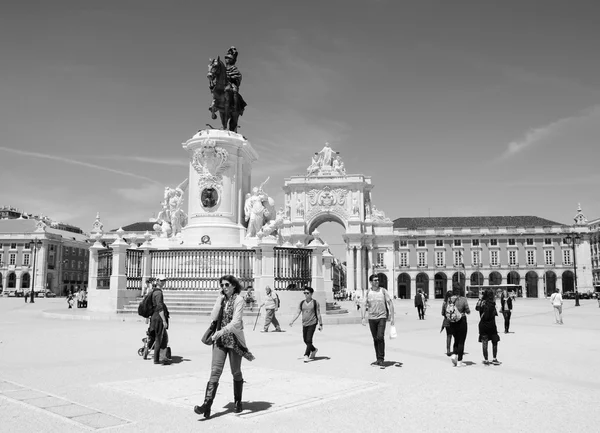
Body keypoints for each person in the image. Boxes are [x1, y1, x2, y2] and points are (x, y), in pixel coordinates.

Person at [194, 275, 254, 419]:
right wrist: (218, 301)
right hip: (220, 341)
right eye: (222, 285)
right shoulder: (222, 299)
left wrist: (221, 331)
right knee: (215, 372)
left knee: (236, 372)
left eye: (227, 285)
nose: (224, 287)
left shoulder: (239, 300)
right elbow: (213, 317)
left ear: (234, 286)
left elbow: (236, 322)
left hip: (234, 341)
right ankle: (206, 404)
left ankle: (238, 401)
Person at [361, 274, 395, 368]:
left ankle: (381, 358)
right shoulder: (368, 292)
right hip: (372, 318)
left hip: (382, 317)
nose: (377, 281)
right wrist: (363, 317)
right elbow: (363, 304)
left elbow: (390, 303)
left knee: (380, 336)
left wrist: (392, 317)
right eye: (375, 280)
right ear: (371, 282)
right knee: (375, 339)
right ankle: (378, 359)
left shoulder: (383, 291)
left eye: (378, 280)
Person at [289, 287, 323, 362]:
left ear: (311, 294)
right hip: (304, 323)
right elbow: (298, 312)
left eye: (307, 293)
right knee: (305, 340)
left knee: (309, 339)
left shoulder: (315, 303)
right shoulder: (302, 303)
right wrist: (292, 321)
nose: (306, 294)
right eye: (305, 293)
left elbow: (318, 314)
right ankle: (314, 350)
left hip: (313, 322)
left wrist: (320, 324)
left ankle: (306, 355)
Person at [147, 275, 171, 365]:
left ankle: (161, 357)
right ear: (157, 281)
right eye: (161, 281)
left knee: (161, 337)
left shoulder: (153, 291)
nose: (163, 282)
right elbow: (160, 308)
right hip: (158, 318)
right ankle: (159, 359)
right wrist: (164, 321)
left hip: (154, 316)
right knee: (160, 338)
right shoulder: (159, 293)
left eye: (164, 280)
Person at [447, 283, 471, 367]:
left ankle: (454, 355)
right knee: (461, 341)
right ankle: (460, 361)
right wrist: (467, 311)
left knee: (456, 339)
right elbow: (468, 311)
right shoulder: (463, 299)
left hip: (452, 322)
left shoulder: (450, 299)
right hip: (462, 321)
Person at [478, 288, 501, 365]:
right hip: (492, 325)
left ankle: (486, 360)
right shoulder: (492, 303)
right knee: (494, 342)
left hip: (483, 325)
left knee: (484, 342)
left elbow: (476, 308)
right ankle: (494, 358)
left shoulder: (482, 303)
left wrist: (480, 299)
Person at [441, 290, 454, 356]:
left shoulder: (444, 303)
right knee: (456, 335)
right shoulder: (454, 302)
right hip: (454, 321)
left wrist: (446, 315)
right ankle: (456, 349)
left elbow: (442, 313)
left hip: (446, 320)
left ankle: (448, 350)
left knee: (449, 335)